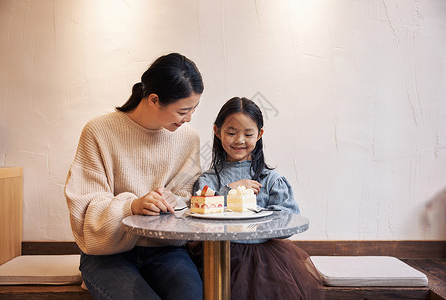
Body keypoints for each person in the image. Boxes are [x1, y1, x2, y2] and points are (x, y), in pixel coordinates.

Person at [65, 53, 204, 300]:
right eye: (183, 110)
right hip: (107, 255)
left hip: (166, 250)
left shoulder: (188, 137)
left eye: (194, 109)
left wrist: (173, 200)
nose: (189, 118)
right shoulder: (99, 131)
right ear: (153, 99)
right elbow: (84, 209)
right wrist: (132, 206)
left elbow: (189, 198)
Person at [192, 97, 325, 299]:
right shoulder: (207, 181)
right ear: (217, 132)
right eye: (231, 132)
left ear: (260, 134)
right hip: (217, 256)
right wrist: (230, 191)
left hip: (266, 261)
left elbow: (288, 219)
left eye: (248, 133)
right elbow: (198, 218)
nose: (239, 140)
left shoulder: (271, 179)